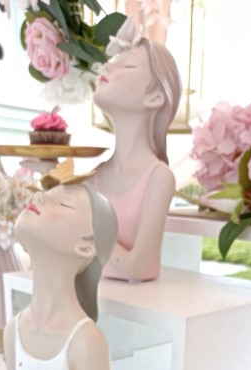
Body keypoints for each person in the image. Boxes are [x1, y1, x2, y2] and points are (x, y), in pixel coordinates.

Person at [3, 182, 118, 370]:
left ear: (85, 247)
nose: (39, 196)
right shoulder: (13, 331)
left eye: (64, 203)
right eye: (46, 194)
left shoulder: (86, 342)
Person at [92, 16, 181, 281]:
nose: (107, 67)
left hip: (138, 303)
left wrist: (86, 227)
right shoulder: (97, 174)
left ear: (154, 97)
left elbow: (135, 267)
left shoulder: (158, 178)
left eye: (127, 65)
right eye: (112, 62)